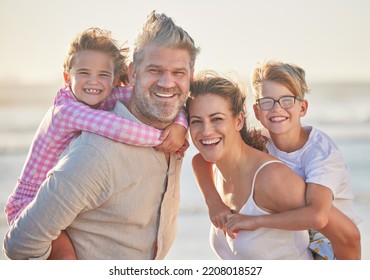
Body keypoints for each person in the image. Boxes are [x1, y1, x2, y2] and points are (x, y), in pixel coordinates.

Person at [3, 10, 200, 260]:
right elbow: (20, 244)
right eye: (154, 70)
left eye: (178, 73)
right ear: (132, 73)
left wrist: (181, 125)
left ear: (190, 77)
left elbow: (180, 104)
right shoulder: (95, 154)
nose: (167, 82)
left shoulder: (169, 124)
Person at [193, 62, 362, 259]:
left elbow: (318, 217)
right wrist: (214, 203)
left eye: (287, 100)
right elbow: (202, 158)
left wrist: (256, 221)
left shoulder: (320, 153)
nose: (277, 109)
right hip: (296, 227)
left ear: (303, 107)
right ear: (256, 112)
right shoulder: (260, 139)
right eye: (267, 102)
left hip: (326, 240)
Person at [186, 71, 313, 259]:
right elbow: (198, 161)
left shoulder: (272, 179)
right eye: (196, 121)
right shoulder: (213, 167)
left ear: (238, 121)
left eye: (217, 119)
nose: (206, 131)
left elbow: (345, 235)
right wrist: (213, 202)